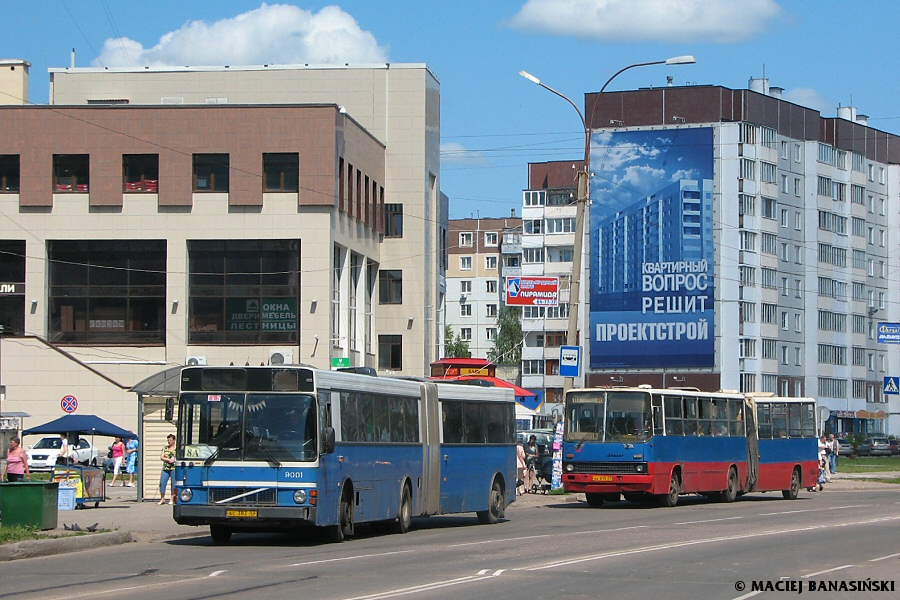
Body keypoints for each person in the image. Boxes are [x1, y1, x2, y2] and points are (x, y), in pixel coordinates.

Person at [159, 434, 177, 505]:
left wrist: (174, 460)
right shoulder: (165, 448)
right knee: (162, 483)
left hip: (173, 468)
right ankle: (162, 498)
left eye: (170, 440)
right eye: (168, 440)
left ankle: (172, 498)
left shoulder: (177, 448)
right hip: (166, 468)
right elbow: (161, 457)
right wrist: (168, 460)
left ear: (174, 440)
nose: (169, 442)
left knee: (173, 484)